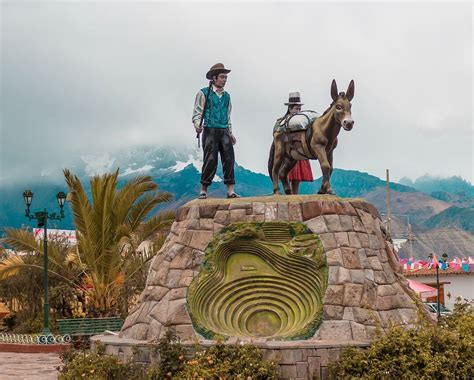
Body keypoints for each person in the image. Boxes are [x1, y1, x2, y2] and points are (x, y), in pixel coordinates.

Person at [192, 63, 239, 199]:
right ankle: (203, 189)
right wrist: (197, 125)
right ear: (214, 78)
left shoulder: (227, 96)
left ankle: (230, 190)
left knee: (229, 159)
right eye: (222, 77)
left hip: (224, 130)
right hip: (210, 129)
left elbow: (228, 115)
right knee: (210, 159)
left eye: (226, 77)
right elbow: (198, 112)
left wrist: (230, 133)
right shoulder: (203, 93)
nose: (224, 80)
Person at [273, 92, 314, 194]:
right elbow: (276, 132)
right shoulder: (281, 122)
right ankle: (283, 188)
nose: (298, 111)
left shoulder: (303, 122)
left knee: (298, 177)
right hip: (288, 150)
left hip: (301, 150)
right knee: (288, 171)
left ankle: (295, 194)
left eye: (299, 109)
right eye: (296, 109)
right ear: (290, 109)